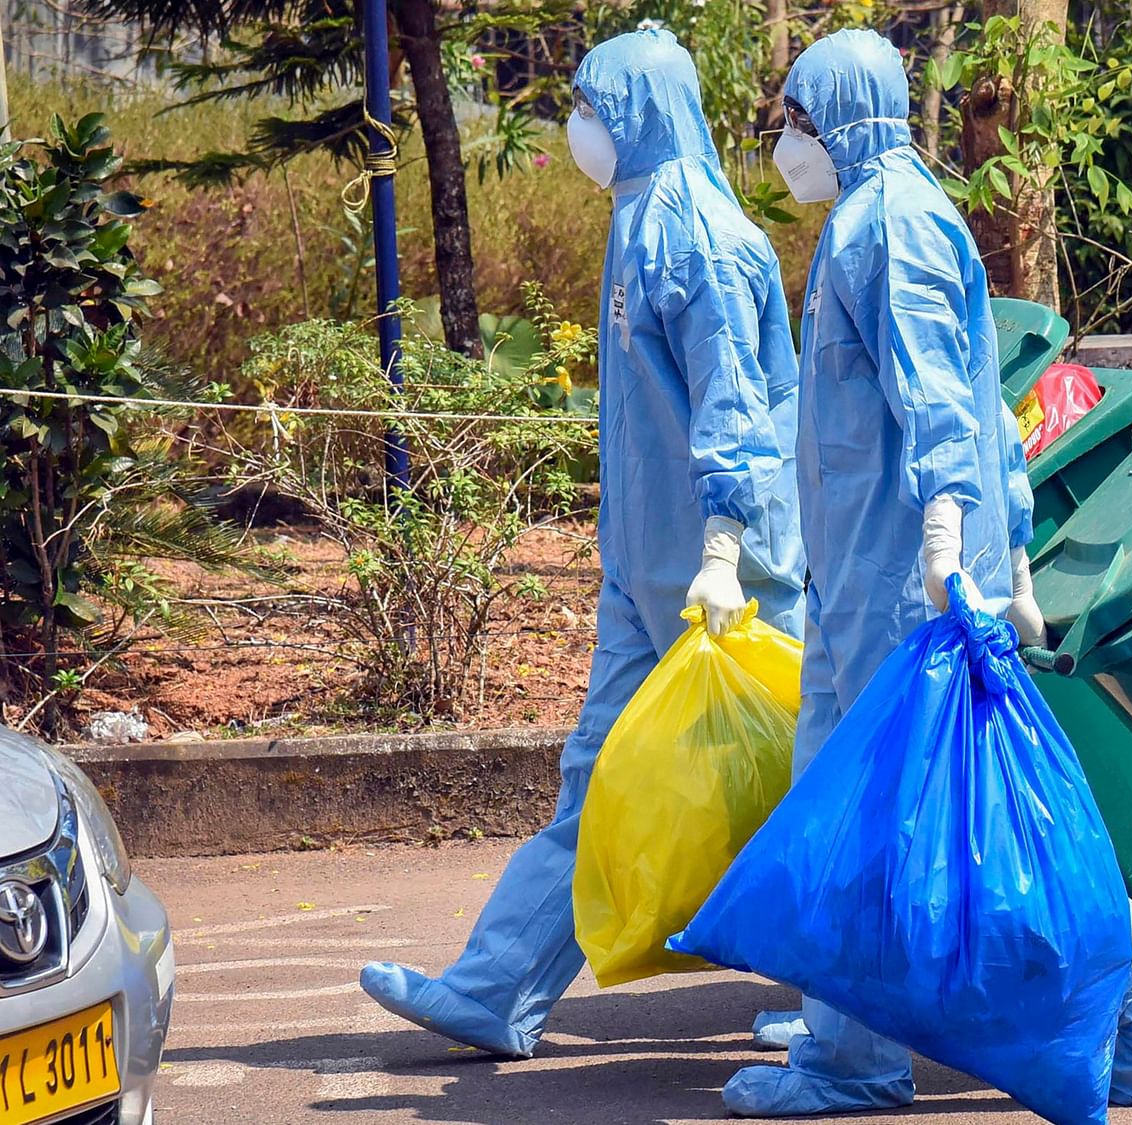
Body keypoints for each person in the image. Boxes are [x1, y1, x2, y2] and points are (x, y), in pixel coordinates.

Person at [722, 28, 1132, 1117]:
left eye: (795, 121)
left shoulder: (889, 222)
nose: (785, 144)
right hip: (860, 576)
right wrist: (1008, 542)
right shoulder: (871, 216)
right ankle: (852, 1045)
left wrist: (952, 539)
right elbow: (980, 405)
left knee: (930, 824)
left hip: (904, 577)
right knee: (858, 815)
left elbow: (942, 399)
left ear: (840, 115)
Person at [357, 27, 806, 1059]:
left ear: (637, 112)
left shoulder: (693, 232)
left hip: (723, 573)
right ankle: (494, 987)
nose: (581, 129)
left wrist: (726, 552)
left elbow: (734, 410)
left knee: (821, 780)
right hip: (649, 572)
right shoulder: (642, 215)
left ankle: (904, 996)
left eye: (592, 108)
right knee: (597, 778)